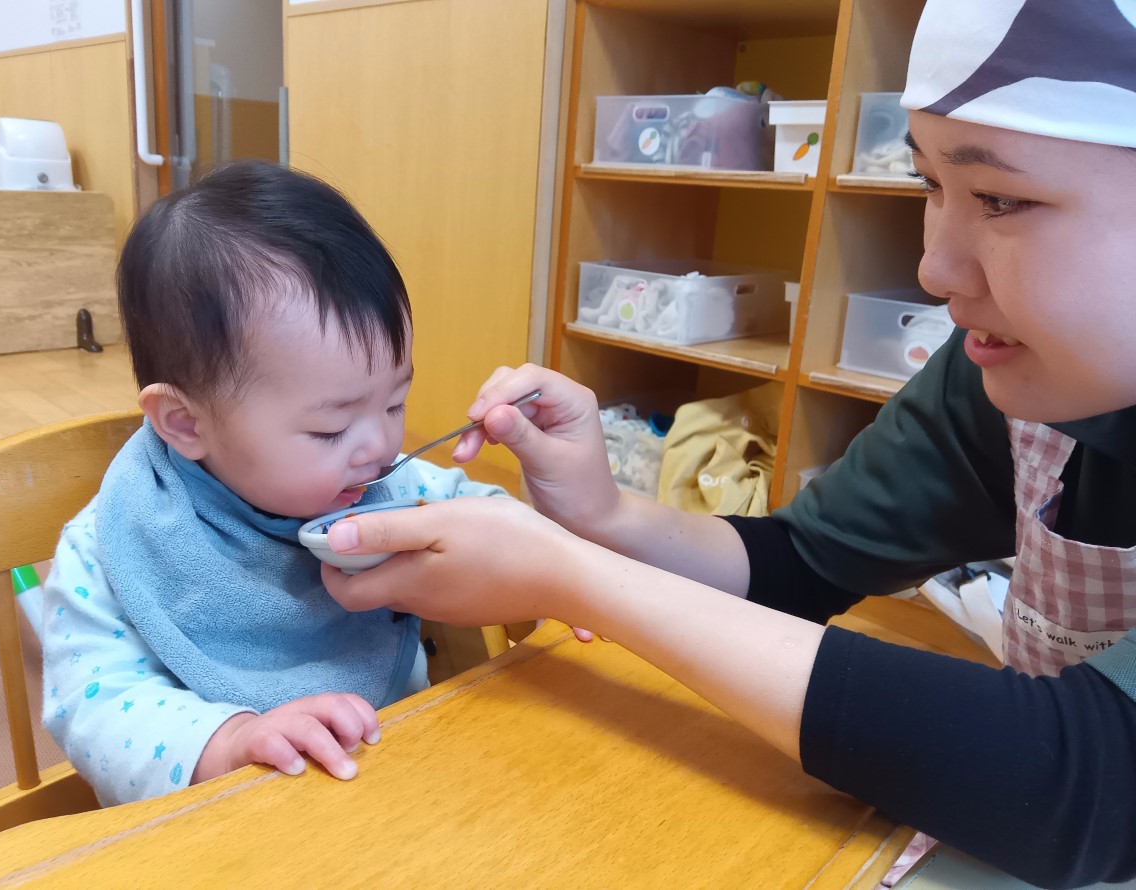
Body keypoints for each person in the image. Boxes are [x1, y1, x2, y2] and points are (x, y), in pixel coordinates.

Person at [321, 2, 1136, 886]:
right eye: (930, 185)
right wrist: (602, 513)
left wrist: (568, 572)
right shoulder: (1002, 377)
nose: (934, 269)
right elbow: (802, 565)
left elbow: (1085, 783)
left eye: (1002, 200)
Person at [40, 162, 507, 805]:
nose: (379, 447)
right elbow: (94, 708)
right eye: (330, 430)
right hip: (216, 826)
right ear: (185, 422)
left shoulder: (381, 487)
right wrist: (231, 740)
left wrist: (550, 565)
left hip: (397, 785)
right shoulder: (114, 542)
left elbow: (492, 529)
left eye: (395, 403)